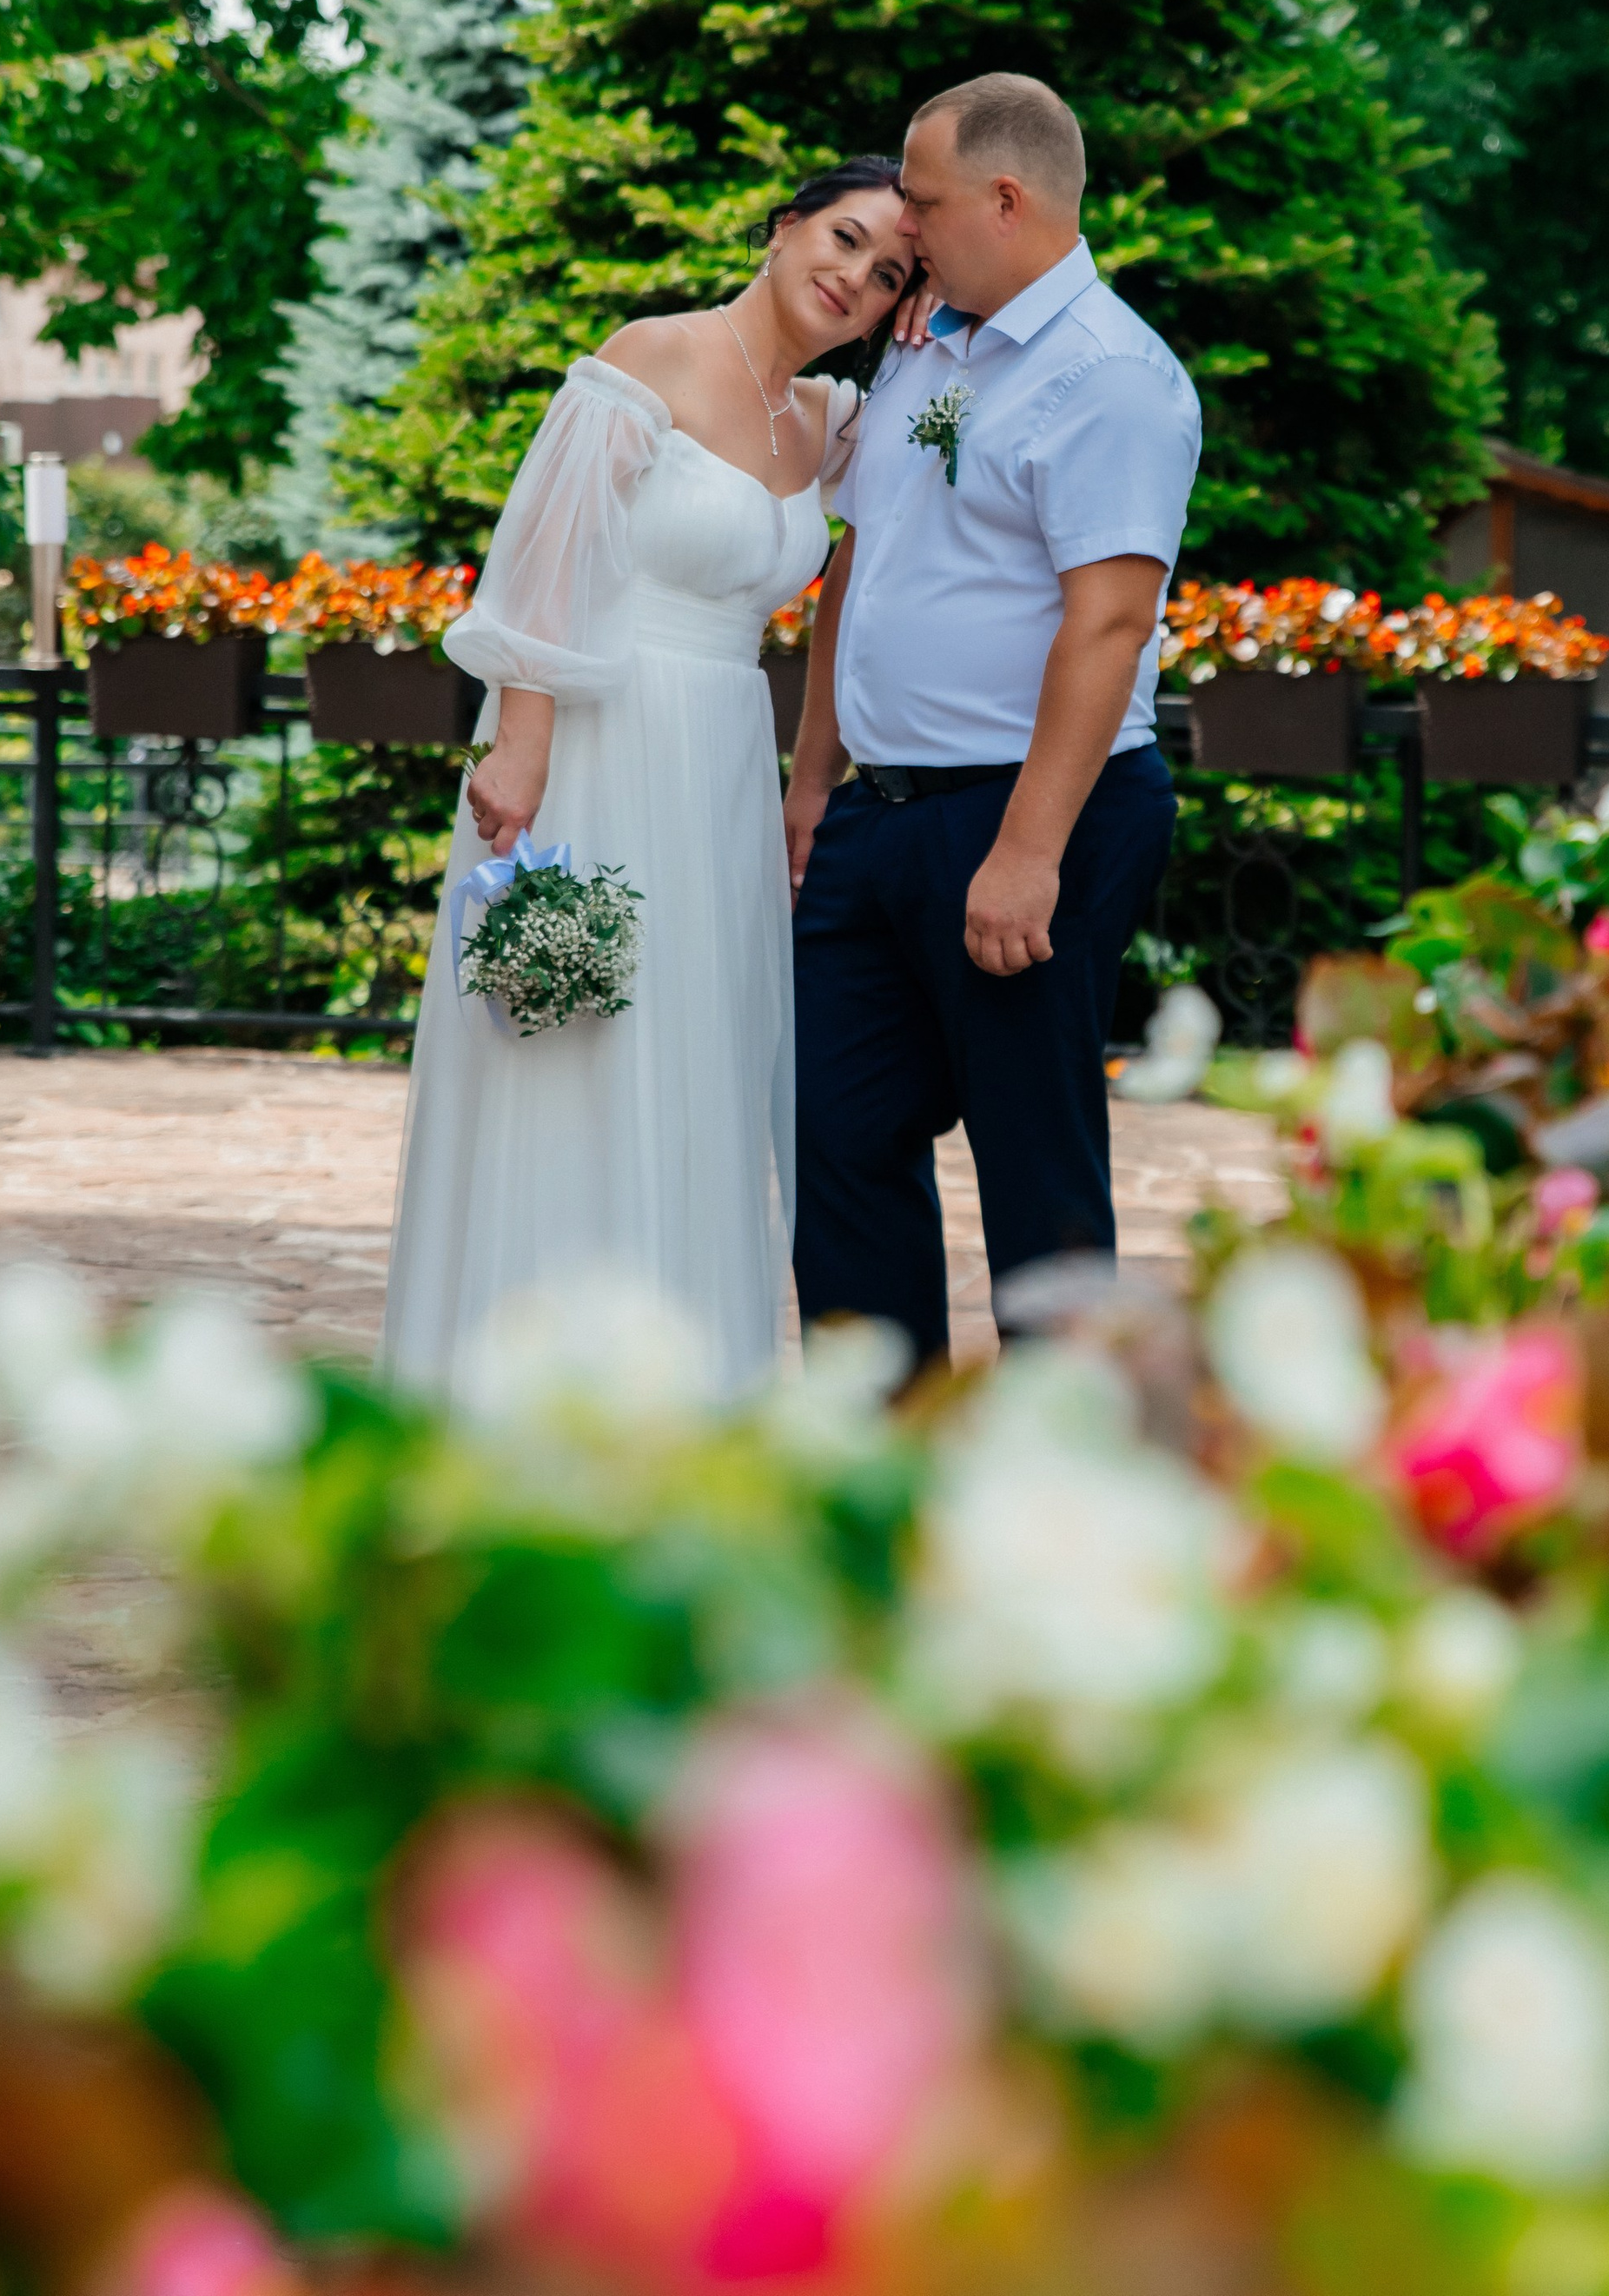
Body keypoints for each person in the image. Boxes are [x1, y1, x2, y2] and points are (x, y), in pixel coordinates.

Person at [379, 158, 917, 1396]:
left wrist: (810, 778)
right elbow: (545, 555)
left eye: (889, 273)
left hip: (723, 767)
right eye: (844, 238)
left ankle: (677, 1397)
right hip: (594, 746)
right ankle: (519, 1391)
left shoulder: (834, 421)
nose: (855, 277)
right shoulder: (653, 355)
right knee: (569, 1054)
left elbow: (881, 549)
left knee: (698, 1061)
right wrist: (523, 744)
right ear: (783, 227)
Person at [785, 72, 1202, 1373]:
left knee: (1037, 1175)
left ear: (1006, 200)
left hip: (1034, 815)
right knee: (837, 1139)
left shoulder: (1115, 380)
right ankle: (883, 1460)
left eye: (923, 199)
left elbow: (1110, 626)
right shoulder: (928, 346)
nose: (905, 226)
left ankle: (1057, 1483)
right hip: (876, 819)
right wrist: (813, 783)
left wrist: (1026, 853)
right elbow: (861, 559)